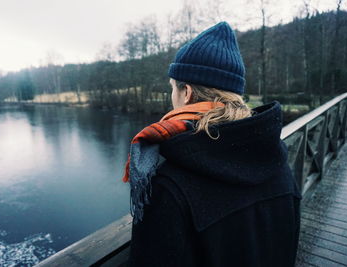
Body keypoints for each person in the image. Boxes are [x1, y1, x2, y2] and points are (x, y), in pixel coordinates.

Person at [123, 21, 301, 267]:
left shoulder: (169, 184)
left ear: (186, 92)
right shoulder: (277, 159)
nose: (172, 96)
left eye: (173, 88)